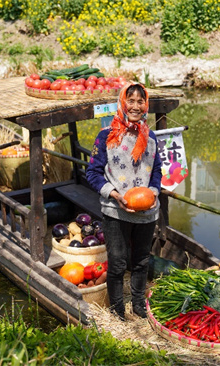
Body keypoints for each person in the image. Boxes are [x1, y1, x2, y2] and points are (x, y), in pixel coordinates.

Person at [86, 82, 162, 320]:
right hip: (115, 211)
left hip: (147, 212)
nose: (136, 106)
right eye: (131, 100)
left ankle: (139, 305)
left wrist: (154, 191)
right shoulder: (105, 136)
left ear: (146, 105)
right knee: (118, 263)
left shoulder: (151, 139)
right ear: (122, 102)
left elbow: (157, 171)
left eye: (141, 101)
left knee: (141, 262)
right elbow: (93, 173)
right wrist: (113, 193)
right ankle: (117, 309)